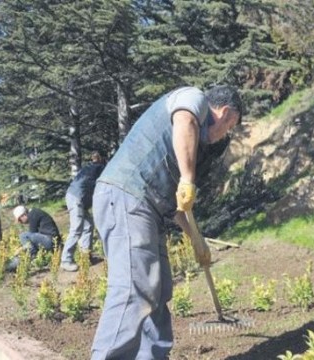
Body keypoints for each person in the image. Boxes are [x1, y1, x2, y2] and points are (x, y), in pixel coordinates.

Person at [90, 85, 243, 359]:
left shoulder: (191, 145)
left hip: (148, 208)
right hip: (127, 196)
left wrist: (196, 239)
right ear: (225, 112)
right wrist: (187, 177)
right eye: (230, 126)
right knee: (133, 289)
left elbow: (178, 207)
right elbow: (184, 120)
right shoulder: (193, 99)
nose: (226, 133)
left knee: (157, 291)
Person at [61, 151, 106, 272]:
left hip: (75, 197)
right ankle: (66, 260)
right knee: (76, 229)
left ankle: (85, 257)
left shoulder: (88, 167)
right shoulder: (100, 168)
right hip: (77, 198)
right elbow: (104, 184)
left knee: (88, 225)